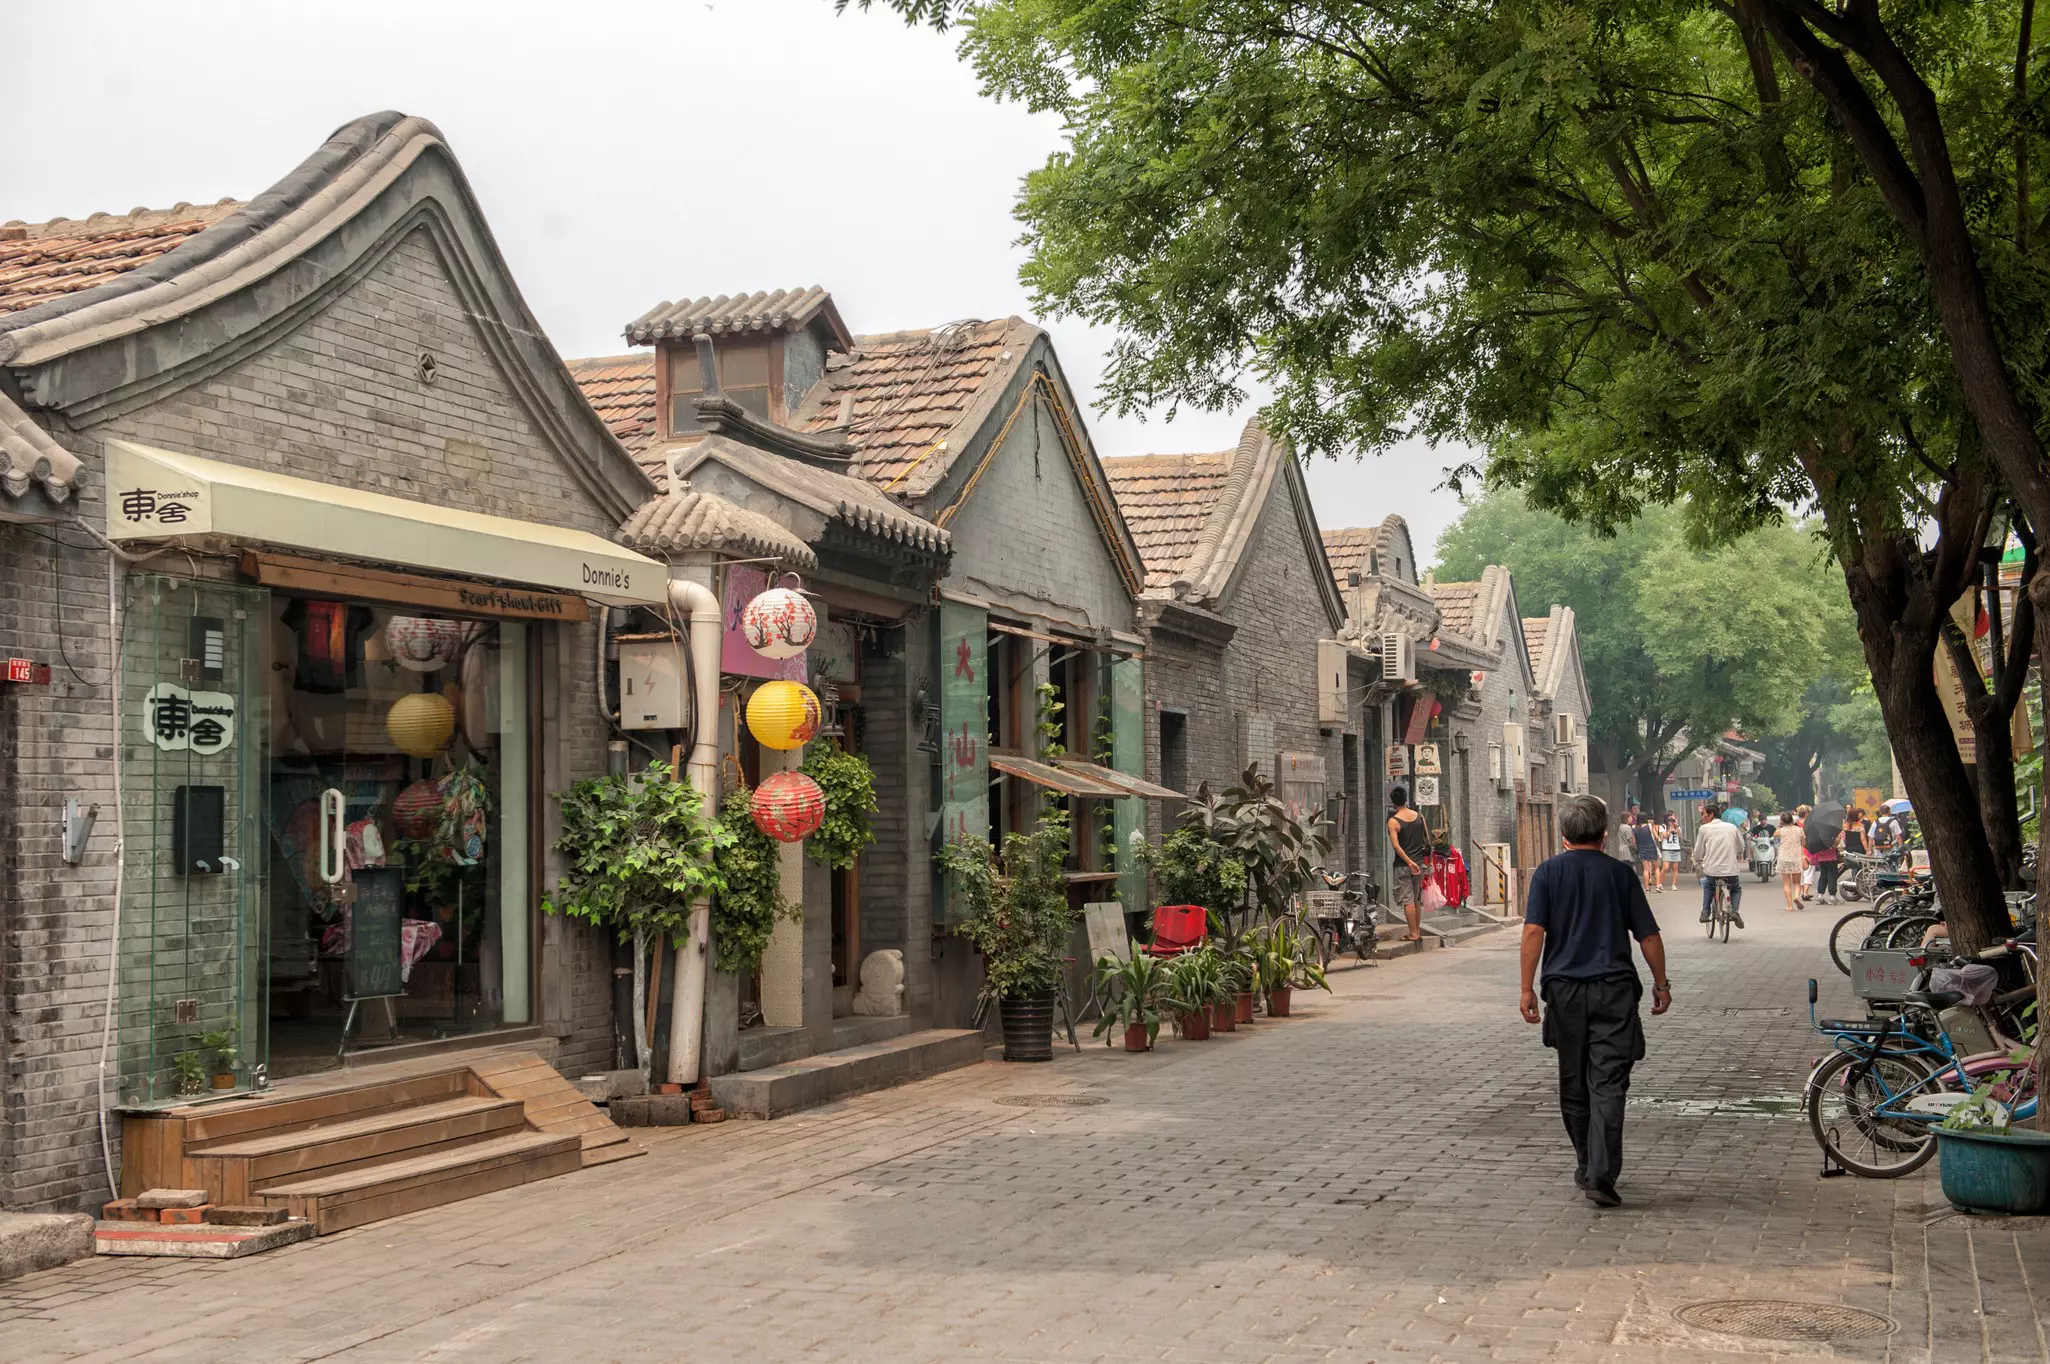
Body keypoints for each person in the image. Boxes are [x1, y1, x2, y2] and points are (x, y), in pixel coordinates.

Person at [1518, 794, 1670, 1208]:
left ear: (1563, 833)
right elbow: (1648, 936)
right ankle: (1600, 1173)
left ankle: (1587, 1163)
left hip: (1565, 992)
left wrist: (1527, 988)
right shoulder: (1621, 876)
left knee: (1573, 1080)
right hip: (1614, 992)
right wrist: (1661, 983)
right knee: (1608, 1082)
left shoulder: (1548, 873)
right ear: (1605, 833)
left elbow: (1534, 932)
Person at [1387, 786, 1431, 943]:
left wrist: (1409, 862)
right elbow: (1428, 841)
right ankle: (1417, 932)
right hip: (1420, 865)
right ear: (1406, 799)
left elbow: (1396, 846)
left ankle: (1413, 934)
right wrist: (1427, 863)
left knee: (1408, 900)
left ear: (1392, 802)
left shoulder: (1393, 821)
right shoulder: (1419, 817)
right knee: (1416, 899)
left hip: (1403, 866)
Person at [1692, 803, 1748, 927]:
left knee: (1708, 886)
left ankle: (1705, 912)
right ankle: (1734, 912)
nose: (1702, 817)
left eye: (1704, 814)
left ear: (1711, 815)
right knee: (1736, 889)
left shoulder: (1704, 829)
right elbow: (1741, 847)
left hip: (1712, 869)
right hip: (1731, 869)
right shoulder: (1732, 827)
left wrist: (1696, 860)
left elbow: (1698, 850)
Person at [1774, 811, 1806, 912]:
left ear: (1782, 821)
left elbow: (1774, 835)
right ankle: (1796, 896)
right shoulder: (1800, 830)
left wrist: (1780, 826)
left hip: (1784, 858)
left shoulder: (1781, 831)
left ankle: (1790, 906)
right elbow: (1804, 843)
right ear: (1792, 819)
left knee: (1786, 883)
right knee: (1796, 882)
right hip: (1796, 858)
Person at [1632, 813, 1660, 891]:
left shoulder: (1634, 828)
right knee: (1656, 867)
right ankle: (1658, 885)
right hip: (1651, 848)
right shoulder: (1649, 826)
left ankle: (1646, 887)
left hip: (1641, 849)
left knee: (1646, 869)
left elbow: (1633, 841)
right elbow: (1656, 837)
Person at [1657, 813, 1683, 891]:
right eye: (1670, 819)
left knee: (1675, 867)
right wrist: (1670, 828)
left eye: (1673, 818)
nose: (1672, 820)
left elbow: (1679, 834)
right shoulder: (1662, 826)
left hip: (1676, 848)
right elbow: (1665, 836)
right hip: (1666, 849)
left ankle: (1674, 884)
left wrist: (1676, 825)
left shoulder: (1676, 826)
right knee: (1665, 867)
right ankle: (1659, 884)